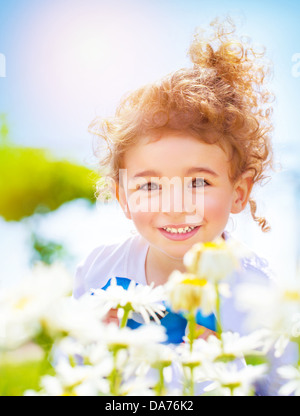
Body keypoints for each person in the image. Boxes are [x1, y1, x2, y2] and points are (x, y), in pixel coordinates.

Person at [74, 18, 297, 394]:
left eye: (198, 182)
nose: (175, 207)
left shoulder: (261, 295)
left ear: (239, 192)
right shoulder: (98, 272)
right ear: (123, 197)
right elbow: (74, 370)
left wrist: (227, 367)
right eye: (149, 184)